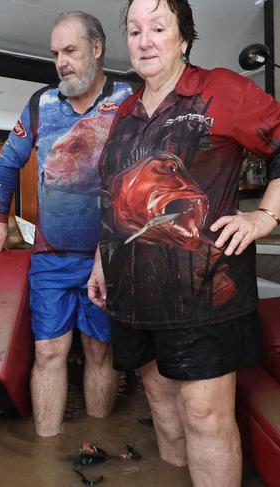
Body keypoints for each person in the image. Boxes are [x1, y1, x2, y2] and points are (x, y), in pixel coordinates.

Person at [88, 0, 280, 485]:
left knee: (204, 415)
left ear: (184, 38)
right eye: (134, 31)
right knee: (159, 402)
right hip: (132, 292)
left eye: (157, 27)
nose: (144, 40)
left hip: (205, 293)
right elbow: (112, 195)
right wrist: (99, 262)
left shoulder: (222, 91)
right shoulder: (126, 112)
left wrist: (265, 216)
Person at [0, 11, 133, 437]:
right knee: (49, 351)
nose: (61, 62)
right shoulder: (41, 104)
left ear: (98, 48)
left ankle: (95, 446)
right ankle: (48, 458)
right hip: (50, 257)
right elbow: (7, 162)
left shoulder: (129, 100)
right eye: (55, 54)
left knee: (99, 352)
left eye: (70, 50)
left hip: (108, 257)